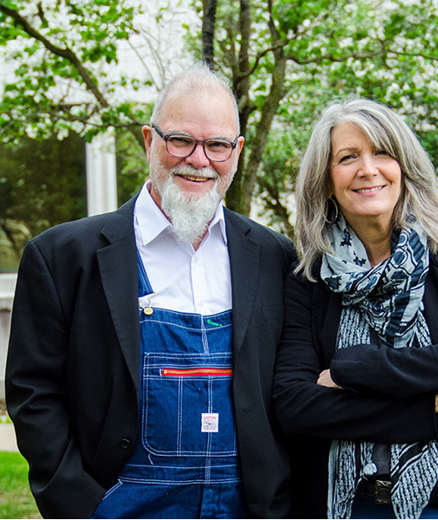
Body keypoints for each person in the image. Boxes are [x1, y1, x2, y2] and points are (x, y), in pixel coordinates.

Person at [6, 64, 297, 519]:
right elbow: (33, 391)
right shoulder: (62, 257)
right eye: (180, 140)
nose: (199, 160)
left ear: (237, 152)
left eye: (217, 145)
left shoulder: (275, 256)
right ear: (149, 141)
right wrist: (82, 507)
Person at [273, 98, 438, 519]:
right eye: (348, 157)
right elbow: (295, 405)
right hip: (344, 506)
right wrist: (427, 407)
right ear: (326, 180)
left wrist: (352, 369)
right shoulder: (309, 277)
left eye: (382, 152)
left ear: (403, 166)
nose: (368, 169)